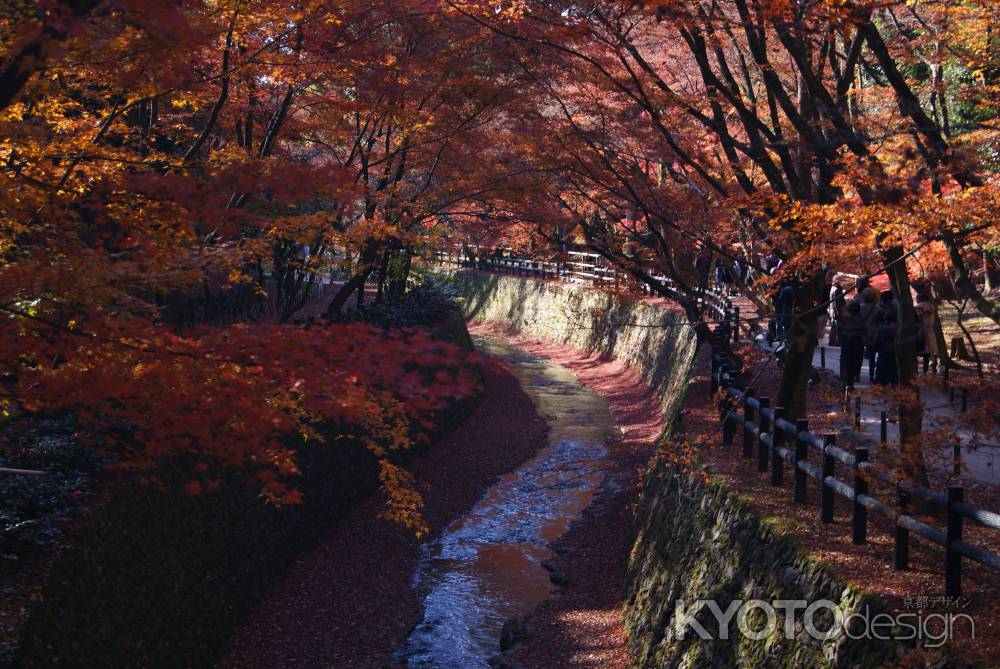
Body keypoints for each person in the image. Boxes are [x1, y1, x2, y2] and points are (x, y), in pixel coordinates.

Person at [839, 301, 866, 389]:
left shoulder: (844, 318)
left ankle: (844, 381)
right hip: (857, 343)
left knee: (845, 362)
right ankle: (851, 381)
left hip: (846, 343)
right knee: (855, 362)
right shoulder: (860, 319)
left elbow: (840, 330)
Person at [872, 305, 899, 385]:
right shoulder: (900, 329)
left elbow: (876, 343)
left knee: (881, 380)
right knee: (895, 379)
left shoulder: (882, 330)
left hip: (883, 355)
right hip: (896, 357)